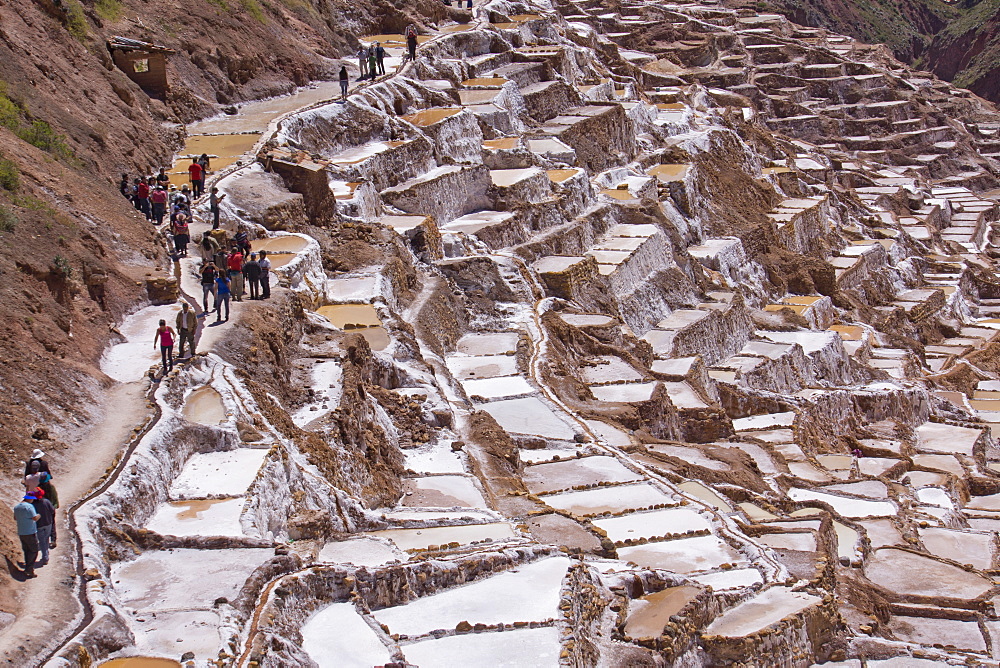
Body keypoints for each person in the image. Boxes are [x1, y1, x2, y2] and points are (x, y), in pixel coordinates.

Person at [14, 493, 40, 578]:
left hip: (21, 532)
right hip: (30, 532)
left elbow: (15, 518)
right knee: (34, 550)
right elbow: (34, 518)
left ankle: (27, 567)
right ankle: (29, 569)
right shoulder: (29, 507)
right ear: (30, 499)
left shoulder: (17, 507)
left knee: (26, 550)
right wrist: (39, 515)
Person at [29, 489, 55, 567]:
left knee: (42, 541)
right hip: (48, 523)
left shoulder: (32, 505)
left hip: (39, 525)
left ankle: (45, 557)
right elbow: (52, 511)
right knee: (46, 539)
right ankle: (46, 552)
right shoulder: (46, 502)